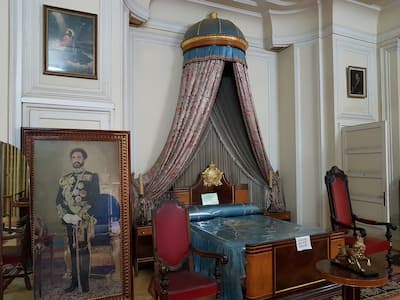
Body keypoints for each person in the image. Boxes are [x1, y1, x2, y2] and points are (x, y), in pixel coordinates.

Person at [56, 148, 99, 293]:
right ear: (71, 160)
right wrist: (65, 215)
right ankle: (74, 282)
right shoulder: (65, 178)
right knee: (73, 251)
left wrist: (79, 215)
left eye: (79, 157)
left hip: (84, 220)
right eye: (73, 157)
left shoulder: (92, 177)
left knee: (84, 251)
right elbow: (59, 200)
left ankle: (85, 284)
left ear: (84, 159)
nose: (76, 159)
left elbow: (94, 199)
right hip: (69, 220)